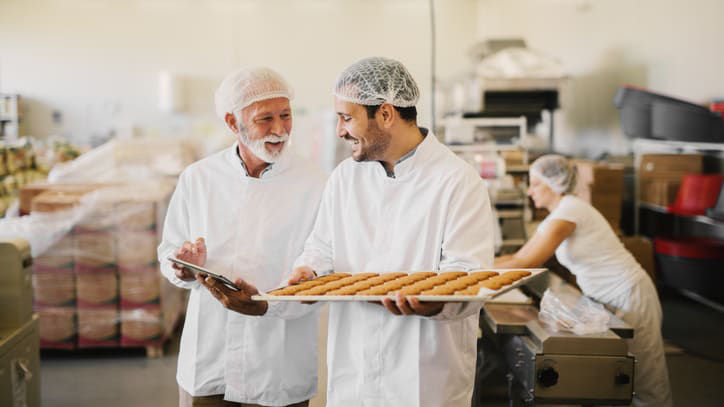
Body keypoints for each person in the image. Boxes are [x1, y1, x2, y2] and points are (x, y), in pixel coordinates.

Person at [290, 56, 495, 406]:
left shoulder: (456, 181)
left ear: (385, 115)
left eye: (347, 118)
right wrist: (308, 270)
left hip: (425, 376)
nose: (340, 131)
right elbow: (322, 246)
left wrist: (431, 304)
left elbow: (470, 279)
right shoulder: (345, 178)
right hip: (354, 367)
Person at [157, 67, 326, 407]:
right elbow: (167, 252)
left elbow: (326, 270)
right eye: (265, 119)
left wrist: (269, 305)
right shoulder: (199, 179)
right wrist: (183, 267)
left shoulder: (317, 183)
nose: (280, 129)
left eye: (286, 115)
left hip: (279, 365)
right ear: (233, 123)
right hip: (209, 362)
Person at [494, 154, 673, 407]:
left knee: (645, 383)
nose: (530, 191)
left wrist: (473, 271)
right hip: (604, 298)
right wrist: (472, 266)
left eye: (535, 184)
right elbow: (517, 256)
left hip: (629, 294)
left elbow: (526, 263)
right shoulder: (561, 212)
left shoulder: (570, 212)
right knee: (615, 381)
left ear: (554, 183)